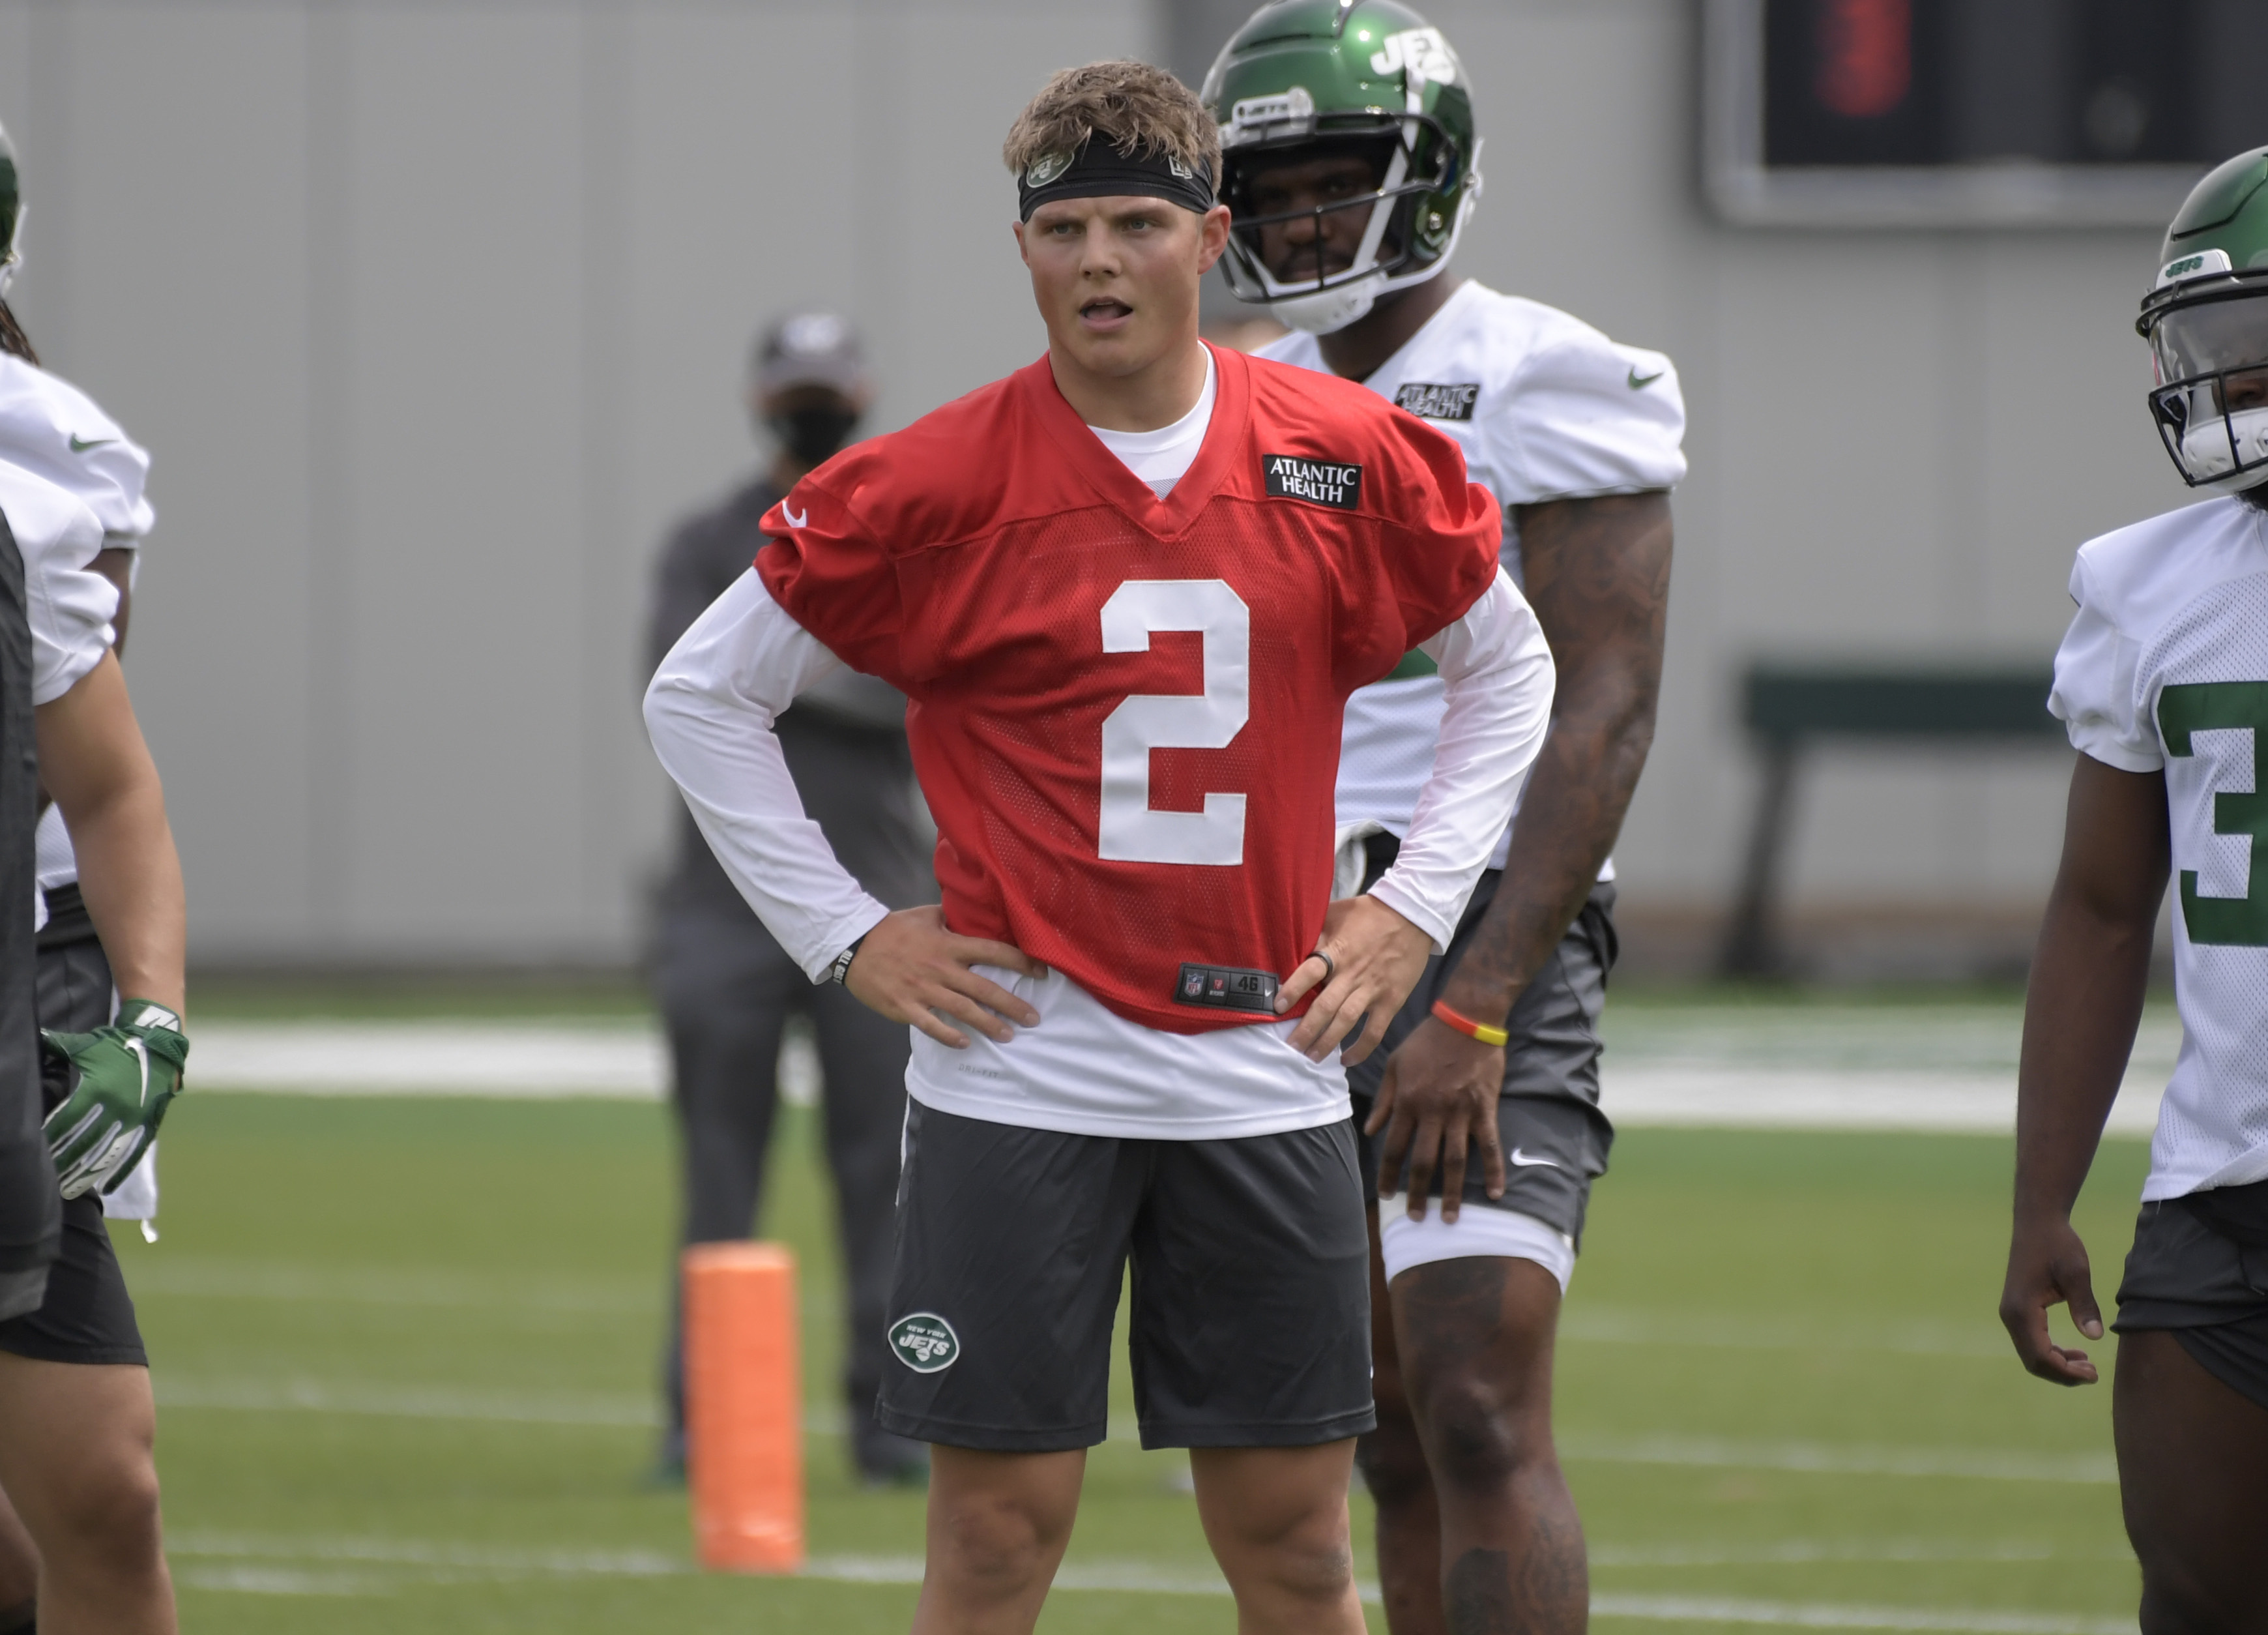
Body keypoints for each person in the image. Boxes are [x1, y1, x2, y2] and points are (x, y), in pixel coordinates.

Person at [646, 58, 1556, 1635]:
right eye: (1064, 229)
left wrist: (1411, 907)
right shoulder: (926, 481)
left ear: (1210, 241)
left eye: (1137, 222)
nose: (1099, 260)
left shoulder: (1344, 454)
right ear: (1024, 253)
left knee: (1292, 1547)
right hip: (1025, 1065)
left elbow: (1512, 667)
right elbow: (702, 697)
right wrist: (854, 936)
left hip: (1259, 1058)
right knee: (994, 1540)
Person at [1203, 6, 1683, 1630]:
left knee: (1476, 1401)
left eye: (1333, 182)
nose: (1296, 225)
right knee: (1380, 1429)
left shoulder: (1549, 375)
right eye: (1266, 193)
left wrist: (1471, 1002)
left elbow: (1601, 709)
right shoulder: (1234, 393)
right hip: (1275, 949)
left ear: (1427, 181)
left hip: (1471, 934)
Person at [2001, 145, 2268, 1634]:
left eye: (2260, 347)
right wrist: (2046, 1200)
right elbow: (2102, 907)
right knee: (2197, 1598)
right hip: (2225, 1198)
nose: (2233, 384)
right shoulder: (2148, 579)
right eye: (2221, 350)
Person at [646, 310, 933, 1486]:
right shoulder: (707, 537)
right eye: (798, 390)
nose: (815, 408)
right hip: (724, 912)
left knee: (891, 1173)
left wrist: (766, 674)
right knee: (719, 1170)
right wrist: (829, 668)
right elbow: (678, 693)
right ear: (763, 399)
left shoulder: (912, 531)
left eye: (830, 387)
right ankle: (700, 1424)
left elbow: (925, 692)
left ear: (861, 392)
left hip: (886, 906)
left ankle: (889, 1416)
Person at [0, 119, 190, 1635]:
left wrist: (149, 1016)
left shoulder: (44, 459)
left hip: (19, 977)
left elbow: (105, 782)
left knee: (101, 1494)